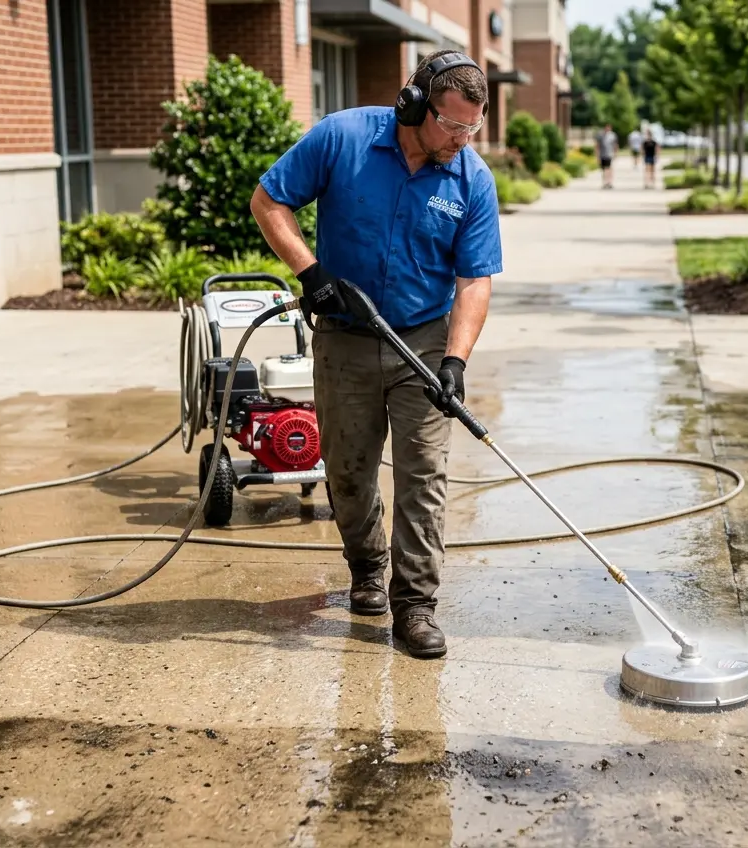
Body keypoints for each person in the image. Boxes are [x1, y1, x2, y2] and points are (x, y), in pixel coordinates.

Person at [249, 50, 503, 659]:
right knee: (347, 470)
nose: (461, 139)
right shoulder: (343, 139)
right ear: (413, 104)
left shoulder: (471, 179)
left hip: (423, 340)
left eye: (473, 128)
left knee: (425, 477)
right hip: (344, 337)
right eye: (451, 125)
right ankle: (367, 566)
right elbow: (268, 201)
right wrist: (309, 273)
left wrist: (456, 361)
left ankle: (415, 605)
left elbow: (475, 281)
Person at [597, 124, 618, 189]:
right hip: (602, 155)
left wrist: (615, 153)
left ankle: (609, 182)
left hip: (609, 154)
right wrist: (597, 155)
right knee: (604, 170)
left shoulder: (613, 135)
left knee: (609, 169)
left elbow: (615, 145)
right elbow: (597, 146)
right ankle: (604, 182)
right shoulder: (601, 136)